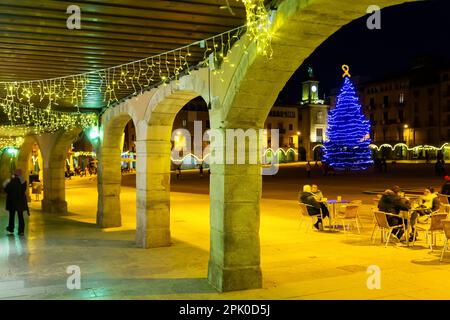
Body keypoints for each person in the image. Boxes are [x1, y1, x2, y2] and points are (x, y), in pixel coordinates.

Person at [4, 169, 29, 236]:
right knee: (20, 216)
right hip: (20, 202)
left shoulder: (11, 180)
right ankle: (21, 231)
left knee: (11, 215)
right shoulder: (23, 181)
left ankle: (11, 228)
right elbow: (23, 189)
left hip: (12, 201)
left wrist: (6, 183)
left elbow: (6, 189)